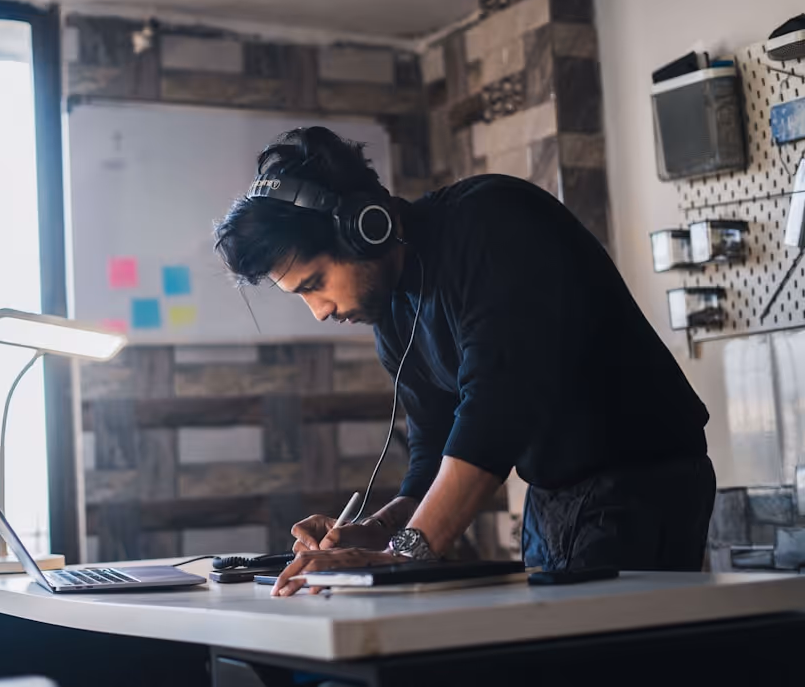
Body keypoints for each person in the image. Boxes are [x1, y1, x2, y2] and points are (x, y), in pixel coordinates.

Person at [213, 127, 715, 597]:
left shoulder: (492, 225)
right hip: (550, 501)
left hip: (640, 486)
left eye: (314, 284)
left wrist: (403, 554)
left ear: (364, 227)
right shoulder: (392, 310)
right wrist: (376, 532)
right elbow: (434, 449)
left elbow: (495, 410)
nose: (319, 312)